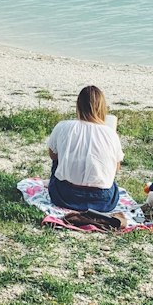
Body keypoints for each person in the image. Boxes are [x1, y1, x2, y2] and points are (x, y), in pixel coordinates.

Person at [46, 85, 124, 214]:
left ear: (78, 105)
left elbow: (53, 156)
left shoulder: (63, 126)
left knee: (58, 160)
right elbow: (116, 168)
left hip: (65, 197)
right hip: (102, 201)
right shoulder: (110, 134)